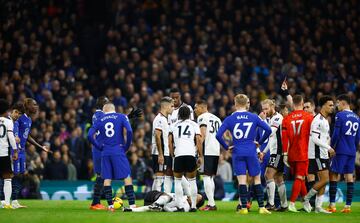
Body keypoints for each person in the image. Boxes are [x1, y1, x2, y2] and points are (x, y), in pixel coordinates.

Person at [216, 94, 272, 214]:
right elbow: (268, 130)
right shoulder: (253, 117)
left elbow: (218, 135)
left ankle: (243, 208)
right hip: (251, 151)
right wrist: (259, 143)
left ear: (235, 104)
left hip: (237, 151)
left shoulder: (230, 118)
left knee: (242, 180)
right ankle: (262, 207)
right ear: (247, 103)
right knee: (256, 179)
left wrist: (226, 147)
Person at [87, 102, 135, 211]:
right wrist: (126, 146)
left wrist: (99, 146)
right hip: (118, 150)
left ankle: (110, 206)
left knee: (107, 178)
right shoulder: (122, 116)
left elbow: (89, 135)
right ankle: (132, 205)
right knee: (127, 177)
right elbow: (129, 131)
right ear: (114, 109)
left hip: (105, 152)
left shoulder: (100, 119)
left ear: (104, 110)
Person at [12, 98, 50, 208]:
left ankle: (14, 201)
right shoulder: (19, 117)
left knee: (20, 175)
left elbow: (27, 136)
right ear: (27, 106)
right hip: (16, 150)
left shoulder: (29, 120)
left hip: (22, 151)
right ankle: (5, 200)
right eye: (34, 104)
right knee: (11, 175)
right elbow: (15, 133)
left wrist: (40, 147)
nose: (36, 107)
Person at [327, 94, 360, 213]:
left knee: (334, 175)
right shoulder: (357, 117)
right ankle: (347, 206)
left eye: (338, 103)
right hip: (351, 151)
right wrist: (354, 148)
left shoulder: (340, 115)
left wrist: (331, 147)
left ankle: (332, 205)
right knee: (349, 177)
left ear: (343, 103)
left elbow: (336, 134)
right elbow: (357, 138)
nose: (336, 105)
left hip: (340, 150)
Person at [302, 95, 335, 213]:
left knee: (324, 180)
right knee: (325, 179)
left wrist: (327, 149)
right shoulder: (317, 120)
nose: (332, 107)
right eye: (330, 105)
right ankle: (306, 198)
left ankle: (318, 207)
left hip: (323, 153)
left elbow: (325, 137)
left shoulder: (325, 120)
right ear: (323, 106)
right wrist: (329, 147)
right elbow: (315, 138)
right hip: (316, 154)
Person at [282, 95, 313, 212]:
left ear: (292, 103)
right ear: (302, 102)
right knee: (300, 178)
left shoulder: (287, 118)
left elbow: (284, 137)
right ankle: (292, 203)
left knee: (301, 179)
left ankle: (306, 204)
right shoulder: (309, 117)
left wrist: (285, 154)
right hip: (303, 152)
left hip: (291, 153)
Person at [169, 106, 202, 212]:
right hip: (190, 154)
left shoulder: (173, 125)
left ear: (179, 114)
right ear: (189, 114)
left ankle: (180, 206)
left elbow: (170, 141)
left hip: (178, 154)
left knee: (177, 181)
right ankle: (193, 206)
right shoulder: (194, 124)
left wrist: (172, 154)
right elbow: (198, 139)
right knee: (192, 181)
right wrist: (200, 155)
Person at [259, 99, 288, 211]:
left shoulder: (277, 118)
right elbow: (272, 139)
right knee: (278, 178)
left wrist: (262, 121)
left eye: (266, 109)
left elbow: (270, 132)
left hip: (278, 152)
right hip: (275, 151)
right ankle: (284, 205)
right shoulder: (271, 119)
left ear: (272, 107)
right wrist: (264, 151)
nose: (265, 111)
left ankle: (271, 203)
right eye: (263, 109)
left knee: (268, 174)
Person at [194, 100, 222, 211]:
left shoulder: (202, 118)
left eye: (196, 107)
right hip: (215, 150)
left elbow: (202, 135)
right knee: (210, 177)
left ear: (202, 107)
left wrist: (198, 152)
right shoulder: (217, 119)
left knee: (206, 176)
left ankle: (211, 204)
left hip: (206, 150)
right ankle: (212, 202)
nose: (195, 110)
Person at [166, 88, 195, 194]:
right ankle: (170, 195)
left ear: (180, 97)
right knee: (171, 172)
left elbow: (190, 125)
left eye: (176, 98)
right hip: (172, 145)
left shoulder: (187, 108)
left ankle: (189, 196)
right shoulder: (169, 110)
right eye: (172, 98)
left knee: (186, 174)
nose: (174, 100)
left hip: (184, 144)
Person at [0, 102, 23, 206]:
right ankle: (7, 203)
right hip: (4, 153)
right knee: (7, 177)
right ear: (7, 110)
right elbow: (10, 137)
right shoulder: (8, 122)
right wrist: (15, 151)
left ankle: (3, 202)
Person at [89, 96, 109, 210]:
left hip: (99, 148)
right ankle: (95, 202)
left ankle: (97, 201)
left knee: (102, 175)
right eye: (107, 103)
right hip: (100, 148)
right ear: (103, 104)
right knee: (101, 175)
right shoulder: (100, 115)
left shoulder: (97, 115)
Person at [151, 97, 174, 192]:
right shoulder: (159, 119)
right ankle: (155, 200)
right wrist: (160, 154)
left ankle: (152, 200)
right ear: (166, 106)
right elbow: (157, 136)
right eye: (172, 106)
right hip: (159, 153)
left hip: (165, 152)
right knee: (159, 178)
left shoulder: (165, 119)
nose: (173, 108)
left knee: (160, 177)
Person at [124, 190, 205, 212]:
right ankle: (156, 204)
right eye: (196, 194)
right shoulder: (185, 196)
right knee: (167, 198)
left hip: (156, 202)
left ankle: (130, 210)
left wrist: (164, 207)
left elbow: (171, 210)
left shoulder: (186, 207)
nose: (194, 196)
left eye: (196, 198)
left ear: (196, 204)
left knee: (149, 208)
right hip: (153, 195)